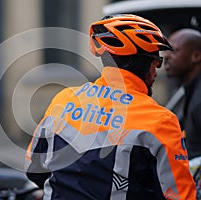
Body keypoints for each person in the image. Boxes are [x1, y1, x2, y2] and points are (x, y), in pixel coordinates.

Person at [25, 14, 196, 199]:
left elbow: (34, 168)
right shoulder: (160, 121)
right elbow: (181, 195)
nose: (155, 73)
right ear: (140, 64)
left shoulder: (64, 99)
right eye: (156, 63)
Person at [164, 28, 201, 160]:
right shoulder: (189, 89)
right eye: (166, 50)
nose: (166, 56)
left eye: (173, 50)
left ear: (196, 56)